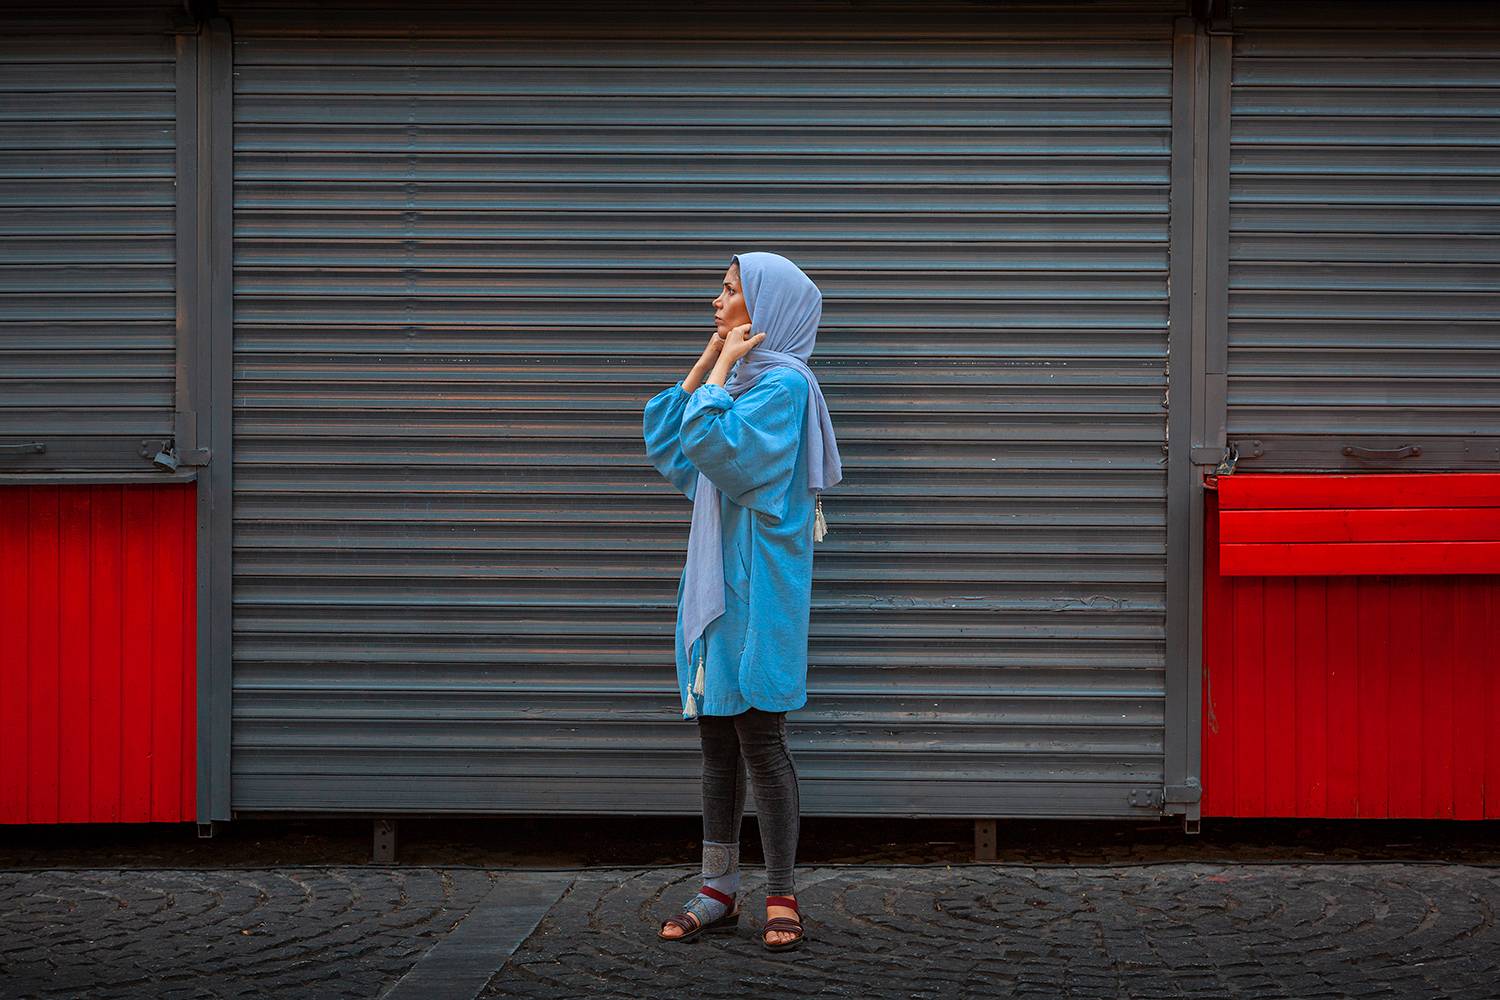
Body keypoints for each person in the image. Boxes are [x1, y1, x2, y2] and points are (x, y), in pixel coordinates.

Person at [640, 252, 842, 952]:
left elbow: (713, 444)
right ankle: (717, 889)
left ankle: (781, 894)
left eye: (729, 290)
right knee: (716, 744)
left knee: (761, 739)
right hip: (717, 585)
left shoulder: (782, 387)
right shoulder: (741, 382)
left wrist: (724, 369)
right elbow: (670, 441)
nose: (715, 300)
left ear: (766, 308)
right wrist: (710, 360)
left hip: (757, 592)